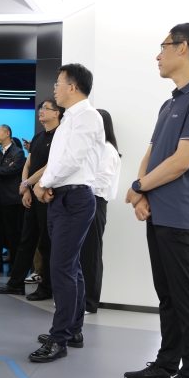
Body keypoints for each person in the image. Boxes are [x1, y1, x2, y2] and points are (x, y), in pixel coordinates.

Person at [123, 23, 189, 378]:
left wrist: (139, 187)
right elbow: (152, 153)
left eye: (163, 46)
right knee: (167, 297)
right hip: (160, 214)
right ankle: (166, 366)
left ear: (183, 48)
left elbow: (182, 162)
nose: (158, 54)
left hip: (185, 218)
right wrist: (142, 192)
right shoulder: (169, 104)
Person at [30, 64, 105, 363]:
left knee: (61, 268)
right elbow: (59, 161)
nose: (55, 89)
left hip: (75, 199)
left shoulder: (87, 116)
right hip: (62, 197)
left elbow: (72, 160)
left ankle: (59, 338)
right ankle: (73, 330)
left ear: (72, 87)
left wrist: (42, 184)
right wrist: (47, 184)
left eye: (58, 84)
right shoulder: (69, 119)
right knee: (71, 267)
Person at [0, 98, 63, 300]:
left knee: (46, 243)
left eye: (45, 108)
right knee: (26, 240)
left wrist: (27, 183)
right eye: (40, 108)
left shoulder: (61, 135)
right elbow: (28, 163)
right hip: (32, 193)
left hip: (48, 195)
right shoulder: (39, 136)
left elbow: (50, 166)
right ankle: (15, 283)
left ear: (57, 113)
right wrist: (25, 189)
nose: (41, 111)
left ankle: (46, 287)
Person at [80, 109, 122, 313]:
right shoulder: (92, 147)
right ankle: (78, 298)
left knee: (91, 253)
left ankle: (89, 302)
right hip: (83, 200)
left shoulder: (108, 150)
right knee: (79, 252)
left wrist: (79, 187)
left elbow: (101, 181)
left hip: (95, 202)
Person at [0, 125, 25, 275]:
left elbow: (13, 170)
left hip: (11, 197)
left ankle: (14, 265)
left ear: (7, 134)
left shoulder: (18, 152)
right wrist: (3, 170)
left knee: (12, 232)